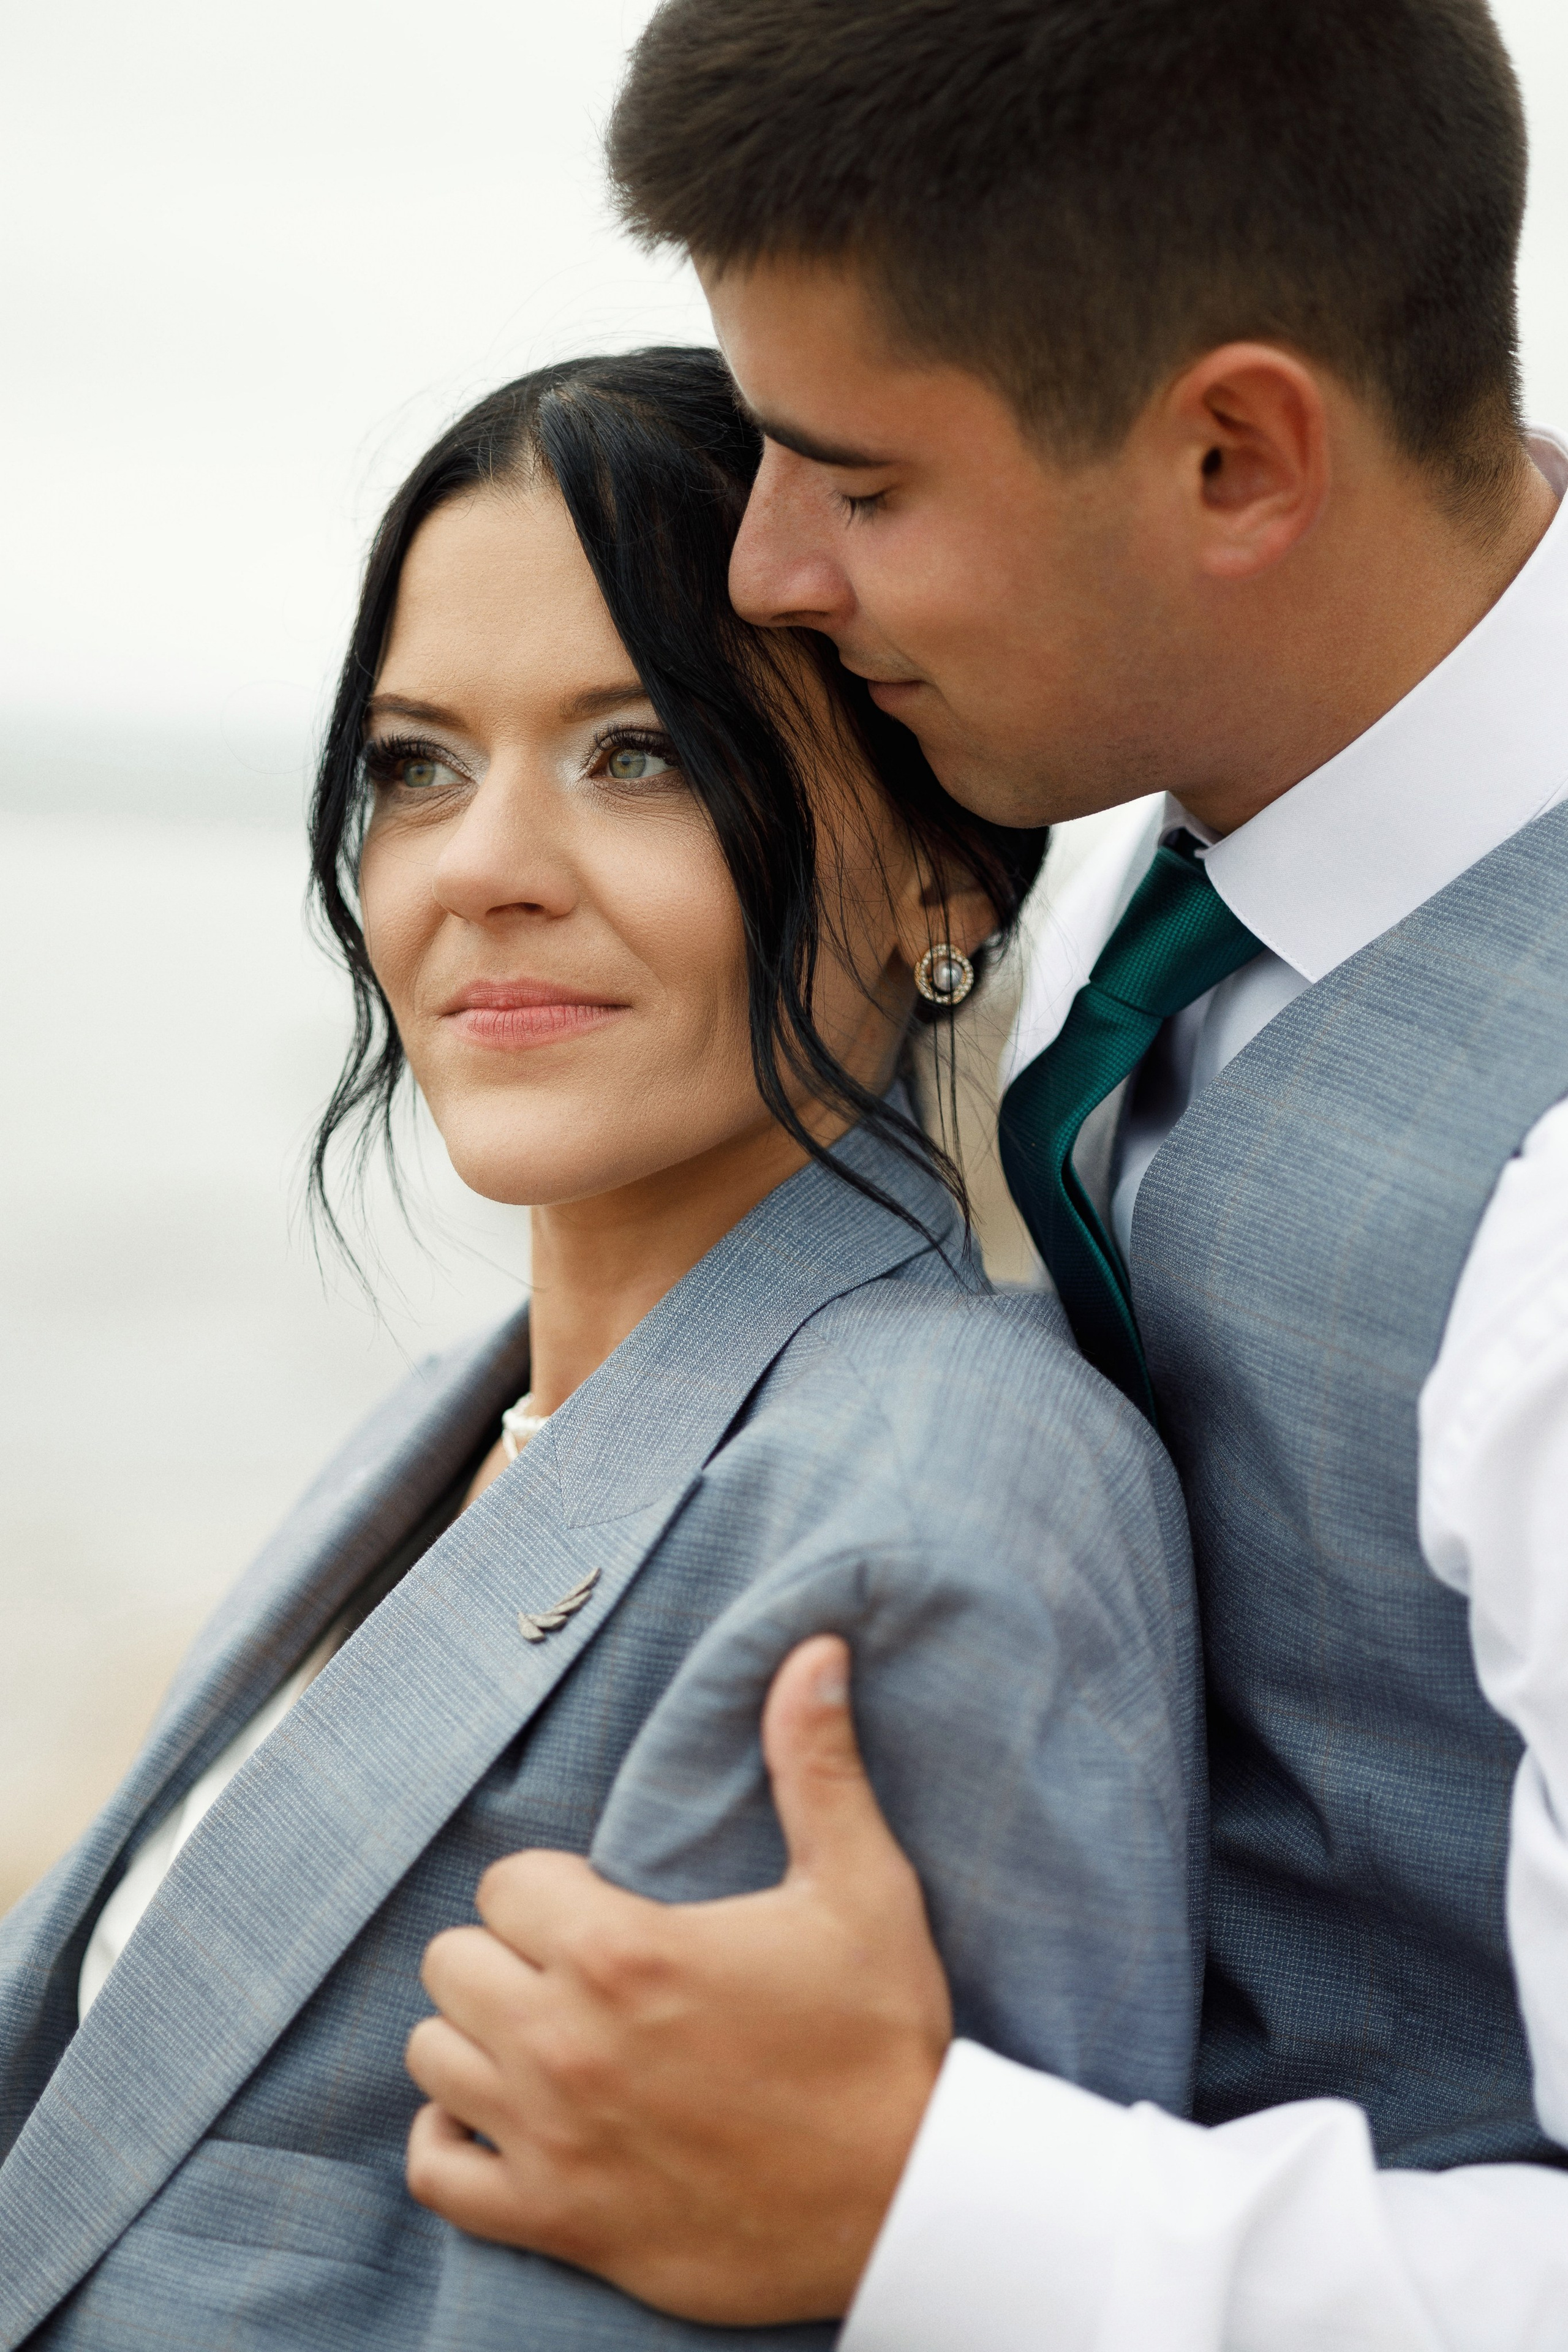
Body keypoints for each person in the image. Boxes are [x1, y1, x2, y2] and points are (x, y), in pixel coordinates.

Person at [400, 4, 1568, 2347]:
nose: (761, 572)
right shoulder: (1156, 832)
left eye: (855, 480)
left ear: (1239, 458)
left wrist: (928, 2204)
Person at [0, 347, 1201, 2349]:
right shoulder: (477, 1413)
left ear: (941, 869)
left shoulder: (932, 1502)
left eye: (638, 750)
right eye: (415, 764)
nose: (481, 866)